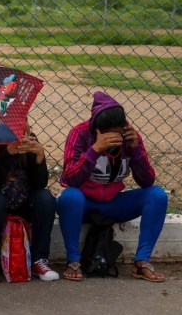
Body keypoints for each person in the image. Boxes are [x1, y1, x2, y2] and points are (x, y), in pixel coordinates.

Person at [57, 91, 168, 282]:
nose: (117, 135)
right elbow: (69, 179)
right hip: (85, 203)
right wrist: (94, 150)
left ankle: (141, 262)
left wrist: (135, 151)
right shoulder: (80, 134)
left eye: (121, 129)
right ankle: (73, 261)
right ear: (97, 128)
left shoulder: (131, 137)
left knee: (157, 195)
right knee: (69, 197)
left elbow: (147, 181)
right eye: (110, 132)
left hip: (114, 202)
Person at [0, 123, 59, 284]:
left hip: (23, 203)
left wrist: (39, 158)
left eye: (24, 122)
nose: (24, 127)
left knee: (45, 198)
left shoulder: (29, 140)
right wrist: (7, 153)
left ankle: (39, 259)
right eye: (16, 124)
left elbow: (39, 184)